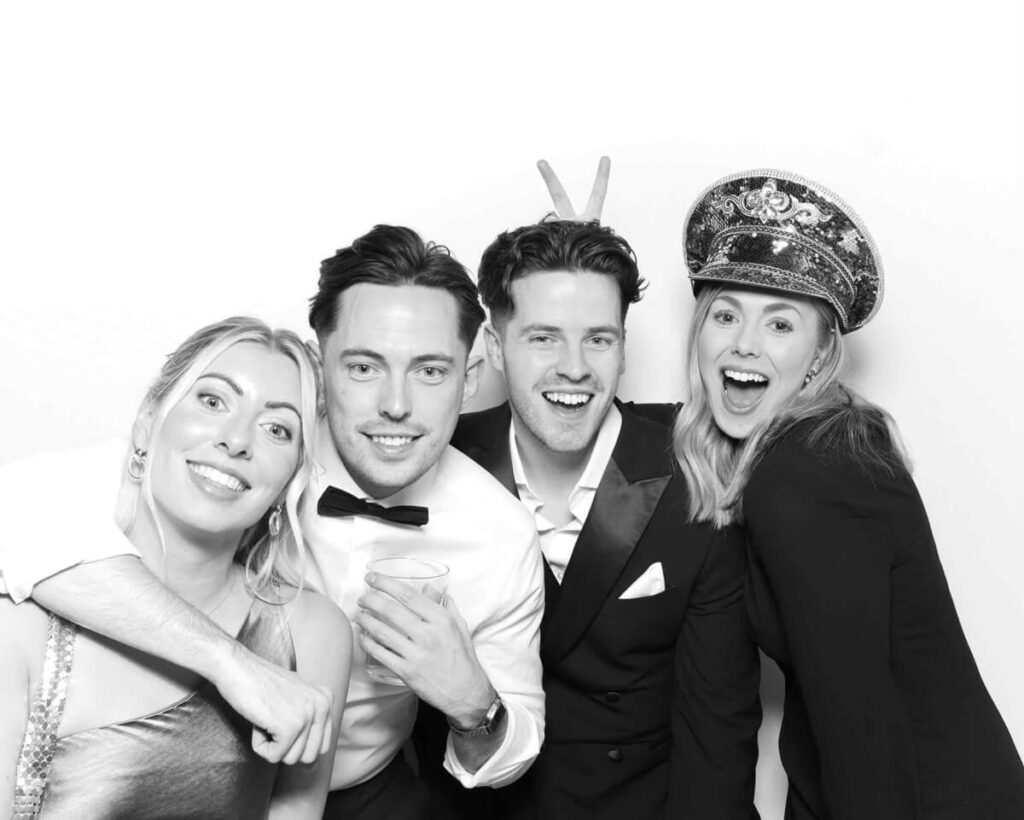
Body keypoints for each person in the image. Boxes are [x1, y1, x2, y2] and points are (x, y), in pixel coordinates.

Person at [0, 225, 546, 820]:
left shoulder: (500, 533)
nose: (396, 403)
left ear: (468, 378)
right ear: (321, 364)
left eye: (430, 371)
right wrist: (232, 664)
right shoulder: (226, 455)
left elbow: (513, 747)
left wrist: (471, 702)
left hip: (365, 789)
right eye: (364, 367)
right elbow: (18, 516)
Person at [675, 169, 1024, 819]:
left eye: (780, 325)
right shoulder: (828, 442)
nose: (744, 343)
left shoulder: (804, 477)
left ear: (819, 354)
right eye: (725, 315)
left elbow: (861, 722)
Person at [416, 162, 760, 820]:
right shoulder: (435, 456)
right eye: (543, 336)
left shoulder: (695, 469)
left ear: (624, 346)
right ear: (492, 345)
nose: (574, 368)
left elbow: (718, 732)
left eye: (598, 337)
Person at [0, 317, 352, 819]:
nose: (236, 441)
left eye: (277, 429)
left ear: (290, 480)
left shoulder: (312, 633)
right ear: (147, 423)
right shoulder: (23, 622)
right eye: (212, 401)